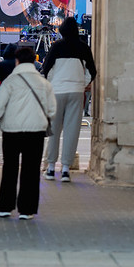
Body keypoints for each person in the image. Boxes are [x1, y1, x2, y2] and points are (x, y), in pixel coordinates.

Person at [0, 47, 56, 220]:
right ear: (33, 61)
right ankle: (27, 209)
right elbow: (52, 110)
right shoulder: (44, 83)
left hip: (12, 131)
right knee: (31, 170)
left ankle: (5, 206)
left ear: (17, 61)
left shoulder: (10, 81)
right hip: (36, 131)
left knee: (10, 168)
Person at [42, 17, 98, 182]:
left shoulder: (56, 46)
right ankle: (66, 169)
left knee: (54, 130)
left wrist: (53, 83)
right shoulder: (83, 47)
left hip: (57, 91)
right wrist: (82, 83)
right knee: (72, 130)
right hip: (76, 91)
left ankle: (51, 168)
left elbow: (46, 69)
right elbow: (92, 71)